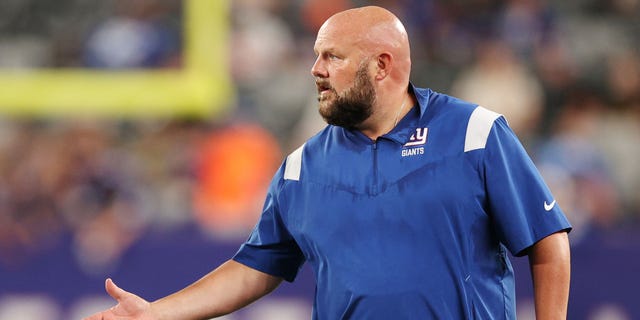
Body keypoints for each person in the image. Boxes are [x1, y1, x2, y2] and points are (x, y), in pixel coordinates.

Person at [84, 6, 571, 320]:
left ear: (383, 65)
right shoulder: (301, 167)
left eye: (332, 57)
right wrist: (156, 315)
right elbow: (255, 268)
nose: (315, 70)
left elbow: (547, 241)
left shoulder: (474, 133)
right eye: (317, 56)